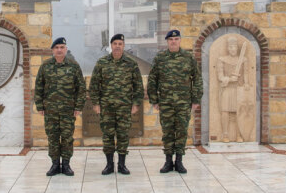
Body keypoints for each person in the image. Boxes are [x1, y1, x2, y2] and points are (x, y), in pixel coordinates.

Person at [147, 29, 203, 174]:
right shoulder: (160, 58)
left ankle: (179, 161)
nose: (173, 42)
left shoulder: (188, 58)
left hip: (183, 103)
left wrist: (195, 99)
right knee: (167, 132)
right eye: (171, 40)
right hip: (165, 102)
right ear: (167, 41)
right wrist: (154, 99)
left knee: (181, 131)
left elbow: (197, 79)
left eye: (176, 39)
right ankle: (167, 161)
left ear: (179, 40)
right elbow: (153, 80)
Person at [88, 33, 144, 175]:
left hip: (124, 107)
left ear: (123, 46)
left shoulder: (131, 64)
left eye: (120, 44)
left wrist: (136, 103)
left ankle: (122, 165)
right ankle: (109, 165)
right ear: (111, 46)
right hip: (106, 108)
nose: (117, 46)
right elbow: (94, 85)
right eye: (115, 44)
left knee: (123, 135)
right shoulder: (102, 63)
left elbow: (138, 85)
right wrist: (95, 103)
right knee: (107, 136)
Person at [34, 36, 85, 177]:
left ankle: (66, 165)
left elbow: (81, 88)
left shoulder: (73, 66)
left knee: (67, 137)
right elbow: (39, 86)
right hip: (50, 110)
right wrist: (40, 106)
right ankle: (55, 164)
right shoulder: (45, 66)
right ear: (52, 50)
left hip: (68, 110)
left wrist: (78, 106)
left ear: (66, 49)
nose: (59, 50)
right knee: (53, 137)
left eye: (62, 47)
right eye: (56, 48)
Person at [216, 36, 249, 142]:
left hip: (239, 90)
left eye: (234, 47)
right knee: (225, 111)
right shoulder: (222, 60)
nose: (232, 49)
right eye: (230, 47)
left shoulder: (243, 60)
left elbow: (246, 74)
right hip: (227, 89)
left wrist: (246, 83)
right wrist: (230, 79)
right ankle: (225, 135)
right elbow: (220, 76)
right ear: (228, 48)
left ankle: (239, 134)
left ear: (237, 48)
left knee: (238, 112)